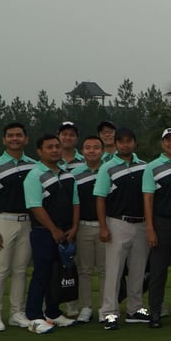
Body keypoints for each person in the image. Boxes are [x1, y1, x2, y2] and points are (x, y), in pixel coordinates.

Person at [0, 122, 38, 332]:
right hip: (3, 220)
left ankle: (17, 312)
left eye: (19, 135)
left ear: (26, 139)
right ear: (4, 140)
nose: (15, 139)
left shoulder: (34, 165)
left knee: (21, 269)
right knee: (1, 269)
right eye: (11, 135)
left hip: (28, 221)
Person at [93, 127, 152, 330]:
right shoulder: (107, 167)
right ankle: (109, 312)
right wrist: (103, 226)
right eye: (121, 141)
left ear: (135, 143)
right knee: (114, 270)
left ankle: (135, 308)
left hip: (141, 223)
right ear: (116, 144)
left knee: (138, 269)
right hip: (117, 222)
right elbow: (100, 198)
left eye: (129, 141)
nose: (125, 145)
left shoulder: (144, 166)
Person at [22, 134, 80, 334]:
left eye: (57, 146)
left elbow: (75, 202)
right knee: (42, 274)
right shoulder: (35, 175)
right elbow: (35, 206)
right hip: (43, 232)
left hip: (66, 232)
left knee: (57, 274)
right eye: (49, 147)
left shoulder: (67, 175)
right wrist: (54, 230)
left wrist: (74, 227)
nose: (55, 150)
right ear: (39, 151)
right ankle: (34, 317)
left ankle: (53, 313)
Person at [142, 128, 171, 327]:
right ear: (163, 143)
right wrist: (150, 228)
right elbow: (148, 198)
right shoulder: (152, 167)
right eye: (168, 140)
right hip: (161, 223)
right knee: (158, 271)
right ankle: (155, 312)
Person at [68, 136, 107, 322]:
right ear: (82, 151)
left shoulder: (108, 170)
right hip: (83, 226)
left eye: (96, 147)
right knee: (84, 270)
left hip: (105, 226)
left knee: (105, 270)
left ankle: (105, 307)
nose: (92, 151)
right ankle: (86, 307)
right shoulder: (74, 174)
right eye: (88, 147)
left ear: (103, 151)